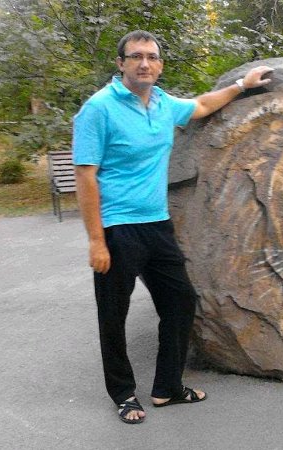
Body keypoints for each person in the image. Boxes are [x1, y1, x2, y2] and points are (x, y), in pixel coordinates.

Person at [73, 30, 272, 424]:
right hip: (117, 228)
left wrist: (242, 85)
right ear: (121, 63)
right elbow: (85, 176)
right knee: (113, 315)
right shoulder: (98, 108)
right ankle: (124, 394)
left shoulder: (164, 104)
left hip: (157, 225)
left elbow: (202, 105)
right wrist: (96, 240)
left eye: (151, 57)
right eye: (135, 56)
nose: (144, 63)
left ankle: (167, 387)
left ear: (160, 65)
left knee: (180, 302)